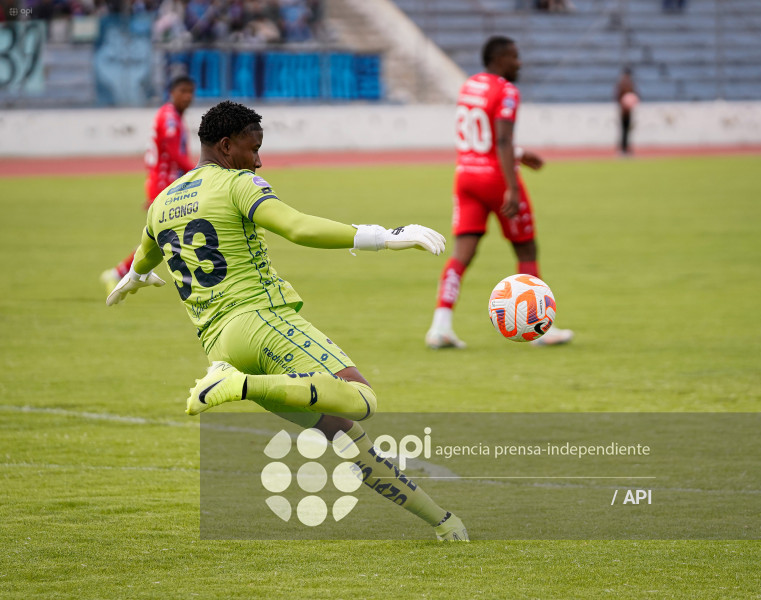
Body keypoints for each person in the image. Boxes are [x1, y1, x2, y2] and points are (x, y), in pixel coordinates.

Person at [105, 101, 469, 542]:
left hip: (220, 346)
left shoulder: (161, 204)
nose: (258, 160)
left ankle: (443, 523)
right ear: (225, 146)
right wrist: (383, 236)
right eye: (252, 148)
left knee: (346, 437)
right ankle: (238, 387)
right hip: (260, 322)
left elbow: (145, 255)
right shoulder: (237, 184)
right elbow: (296, 227)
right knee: (362, 399)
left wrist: (135, 278)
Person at [425, 35, 574, 349]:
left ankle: (440, 326)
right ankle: (540, 329)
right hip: (496, 178)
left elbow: (482, 136)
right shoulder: (506, 90)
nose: (519, 63)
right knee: (526, 250)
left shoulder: (470, 85)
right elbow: (502, 140)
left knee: (461, 255)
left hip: (465, 175)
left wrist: (519, 152)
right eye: (515, 57)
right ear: (500, 58)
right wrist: (512, 186)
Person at [101, 75, 196, 295]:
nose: (188, 97)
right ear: (172, 92)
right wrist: (199, 172)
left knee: (168, 235)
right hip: (165, 183)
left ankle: (123, 273)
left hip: (166, 183)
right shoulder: (171, 118)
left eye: (191, 92)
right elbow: (174, 153)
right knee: (170, 235)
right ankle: (122, 273)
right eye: (183, 91)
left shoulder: (171, 115)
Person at [615, 66, 638, 155]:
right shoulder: (623, 84)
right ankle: (623, 149)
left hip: (629, 111)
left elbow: (634, 95)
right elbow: (618, 97)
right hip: (624, 111)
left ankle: (626, 148)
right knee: (624, 130)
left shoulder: (629, 84)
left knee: (628, 130)